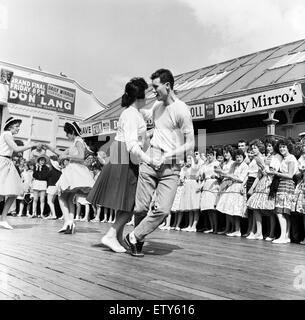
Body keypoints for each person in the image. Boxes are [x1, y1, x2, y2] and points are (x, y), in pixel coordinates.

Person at [124, 68, 195, 257]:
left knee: (163, 210)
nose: (153, 91)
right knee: (140, 208)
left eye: (155, 87)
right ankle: (137, 242)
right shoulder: (157, 105)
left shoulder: (182, 110)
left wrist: (168, 156)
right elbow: (146, 115)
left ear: (168, 85)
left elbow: (191, 144)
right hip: (150, 159)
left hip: (171, 165)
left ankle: (134, 235)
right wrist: (132, 110)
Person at [87, 77, 158, 253]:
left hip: (122, 156)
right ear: (139, 96)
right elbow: (132, 145)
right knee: (130, 203)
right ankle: (111, 235)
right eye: (145, 94)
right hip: (125, 158)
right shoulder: (132, 115)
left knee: (125, 202)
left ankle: (117, 237)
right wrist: (150, 160)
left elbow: (148, 118)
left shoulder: (132, 113)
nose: (147, 98)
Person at [45, 121, 95, 234]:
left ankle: (68, 221)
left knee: (61, 196)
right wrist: (49, 147)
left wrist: (67, 156)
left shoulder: (78, 141)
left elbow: (81, 156)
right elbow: (60, 152)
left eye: (67, 134)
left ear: (72, 132)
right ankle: (70, 223)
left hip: (75, 170)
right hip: (74, 171)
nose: (66, 136)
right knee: (69, 198)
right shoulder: (75, 143)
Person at [0, 116, 40, 229]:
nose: (18, 129)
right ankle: (2, 218)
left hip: (7, 162)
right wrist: (32, 145)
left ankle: (3, 218)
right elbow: (16, 149)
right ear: (10, 127)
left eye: (18, 126)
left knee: (13, 192)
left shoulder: (9, 135)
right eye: (17, 126)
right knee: (4, 192)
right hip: (2, 162)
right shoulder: (6, 134)